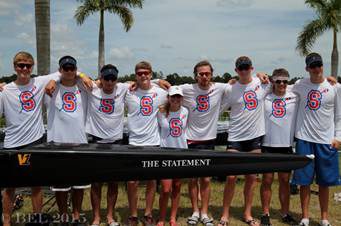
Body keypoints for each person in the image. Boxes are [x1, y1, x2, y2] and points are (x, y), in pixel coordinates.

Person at [0, 51, 62, 226]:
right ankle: (7, 221)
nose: (25, 69)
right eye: (21, 65)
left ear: (32, 67)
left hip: (35, 142)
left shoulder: (39, 82)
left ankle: (37, 218)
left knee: (36, 184)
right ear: (15, 67)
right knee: (9, 186)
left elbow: (62, 71)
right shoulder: (5, 90)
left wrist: (52, 80)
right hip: (13, 144)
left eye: (28, 65)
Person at [176, 60, 231, 226]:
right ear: (196, 75)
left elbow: (240, 85)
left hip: (209, 140)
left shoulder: (220, 88)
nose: (204, 77)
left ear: (212, 74)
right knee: (193, 179)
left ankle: (205, 212)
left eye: (207, 73)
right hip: (191, 139)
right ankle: (195, 211)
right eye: (201, 74)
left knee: (206, 180)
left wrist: (260, 76)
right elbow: (165, 88)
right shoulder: (187, 89)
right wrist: (157, 80)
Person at [219, 56, 270, 226]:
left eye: (246, 67)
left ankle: (247, 214)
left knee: (251, 177)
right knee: (231, 177)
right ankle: (225, 214)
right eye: (241, 68)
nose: (244, 71)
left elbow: (284, 86)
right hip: (235, 137)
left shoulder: (262, 83)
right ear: (236, 71)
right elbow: (219, 109)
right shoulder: (230, 89)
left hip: (255, 137)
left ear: (252, 68)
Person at [291, 53, 341, 226]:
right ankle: (304, 217)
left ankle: (324, 218)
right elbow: (278, 87)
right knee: (304, 181)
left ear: (323, 66)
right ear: (307, 69)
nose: (316, 69)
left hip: (326, 141)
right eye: (312, 66)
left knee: (324, 182)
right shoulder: (299, 84)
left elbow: (339, 116)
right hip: (305, 139)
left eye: (319, 65)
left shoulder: (335, 87)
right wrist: (260, 78)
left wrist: (338, 137)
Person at [45, 55, 90, 226]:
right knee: (61, 187)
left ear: (76, 69)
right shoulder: (51, 88)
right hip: (57, 142)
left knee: (79, 186)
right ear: (60, 70)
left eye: (72, 68)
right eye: (66, 68)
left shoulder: (83, 87)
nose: (69, 71)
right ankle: (64, 217)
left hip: (79, 142)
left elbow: (103, 83)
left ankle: (76, 216)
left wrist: (82, 75)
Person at [124, 61, 168, 226]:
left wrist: (157, 81)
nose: (143, 76)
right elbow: (110, 83)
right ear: (135, 75)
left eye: (146, 73)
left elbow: (177, 93)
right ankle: (134, 214)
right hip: (134, 142)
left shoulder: (161, 92)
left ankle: (148, 213)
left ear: (151, 74)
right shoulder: (129, 92)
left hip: (153, 142)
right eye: (140, 73)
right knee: (132, 181)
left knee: (151, 181)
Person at [86, 64, 129, 226]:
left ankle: (110, 216)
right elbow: (70, 79)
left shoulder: (122, 88)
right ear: (101, 79)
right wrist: (84, 76)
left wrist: (160, 80)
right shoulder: (92, 90)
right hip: (96, 142)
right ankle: (96, 217)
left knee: (113, 182)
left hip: (116, 142)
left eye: (113, 79)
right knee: (96, 183)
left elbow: (144, 81)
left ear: (117, 80)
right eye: (106, 78)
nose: (109, 82)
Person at [259, 68, 298, 226]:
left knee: (284, 181)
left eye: (285, 81)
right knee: (267, 180)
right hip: (268, 144)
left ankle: (285, 212)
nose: (282, 84)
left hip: (286, 145)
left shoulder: (295, 96)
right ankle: (265, 213)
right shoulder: (265, 97)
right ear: (273, 82)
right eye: (278, 81)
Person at [156, 86, 189, 226]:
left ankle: (173, 217)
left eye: (178, 97)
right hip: (165, 152)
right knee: (165, 189)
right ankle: (161, 218)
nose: (175, 99)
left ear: (181, 98)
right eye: (173, 96)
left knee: (177, 186)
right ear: (168, 98)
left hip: (181, 152)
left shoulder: (185, 111)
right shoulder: (161, 112)